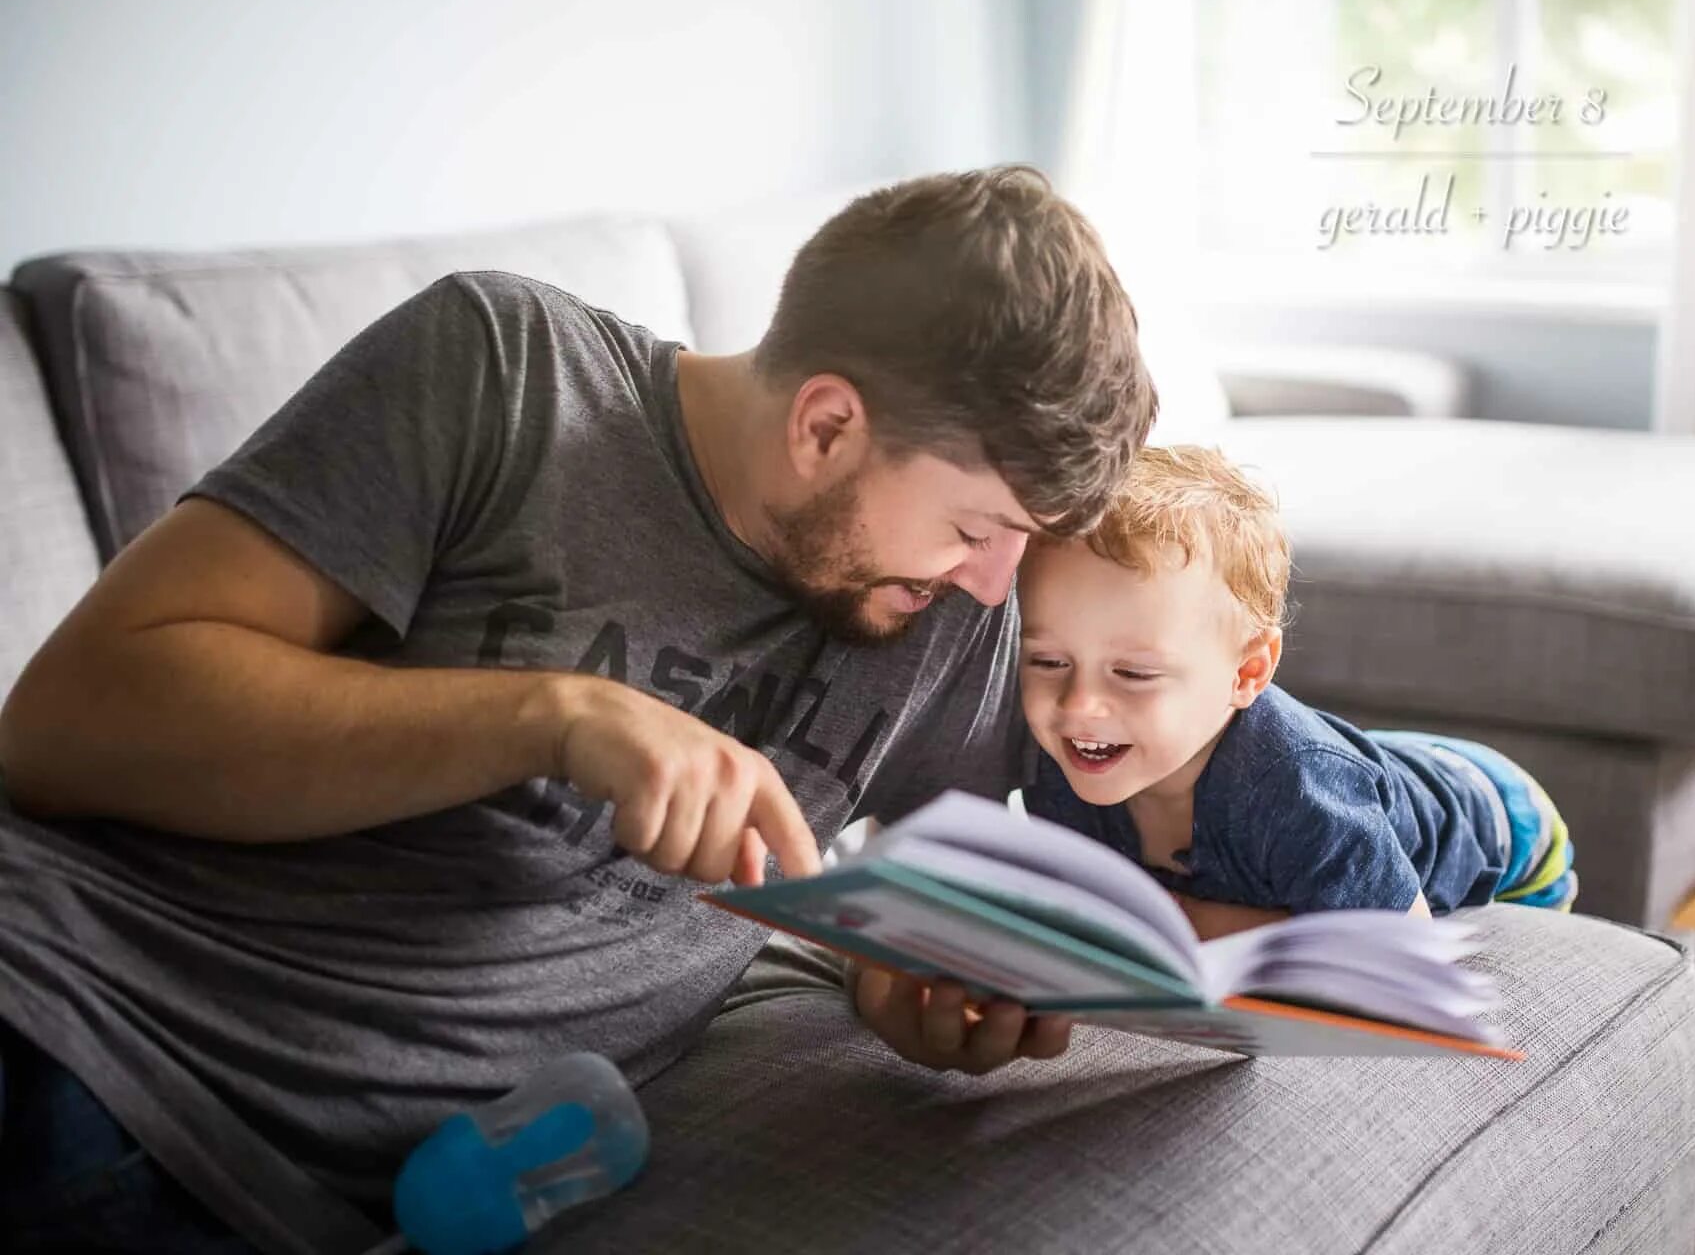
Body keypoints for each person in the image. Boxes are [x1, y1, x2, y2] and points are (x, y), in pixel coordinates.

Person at [0, 165, 1157, 1253]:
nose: (996, 584)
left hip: (351, 1194)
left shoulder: (949, 616)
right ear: (824, 426)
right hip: (77, 1037)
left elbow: (1026, 842)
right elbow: (62, 724)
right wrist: (549, 715)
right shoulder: (504, 370)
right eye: (973, 528)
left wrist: (895, 973)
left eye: (1023, 541)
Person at [1016, 446, 1577, 942]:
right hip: (1368, 768)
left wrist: (1192, 921)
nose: (1076, 704)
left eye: (1134, 673)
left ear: (1247, 673)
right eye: (1047, 661)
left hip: (1503, 821)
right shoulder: (1062, 756)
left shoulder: (1297, 788)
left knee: (1338, 783)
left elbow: (1403, 950)